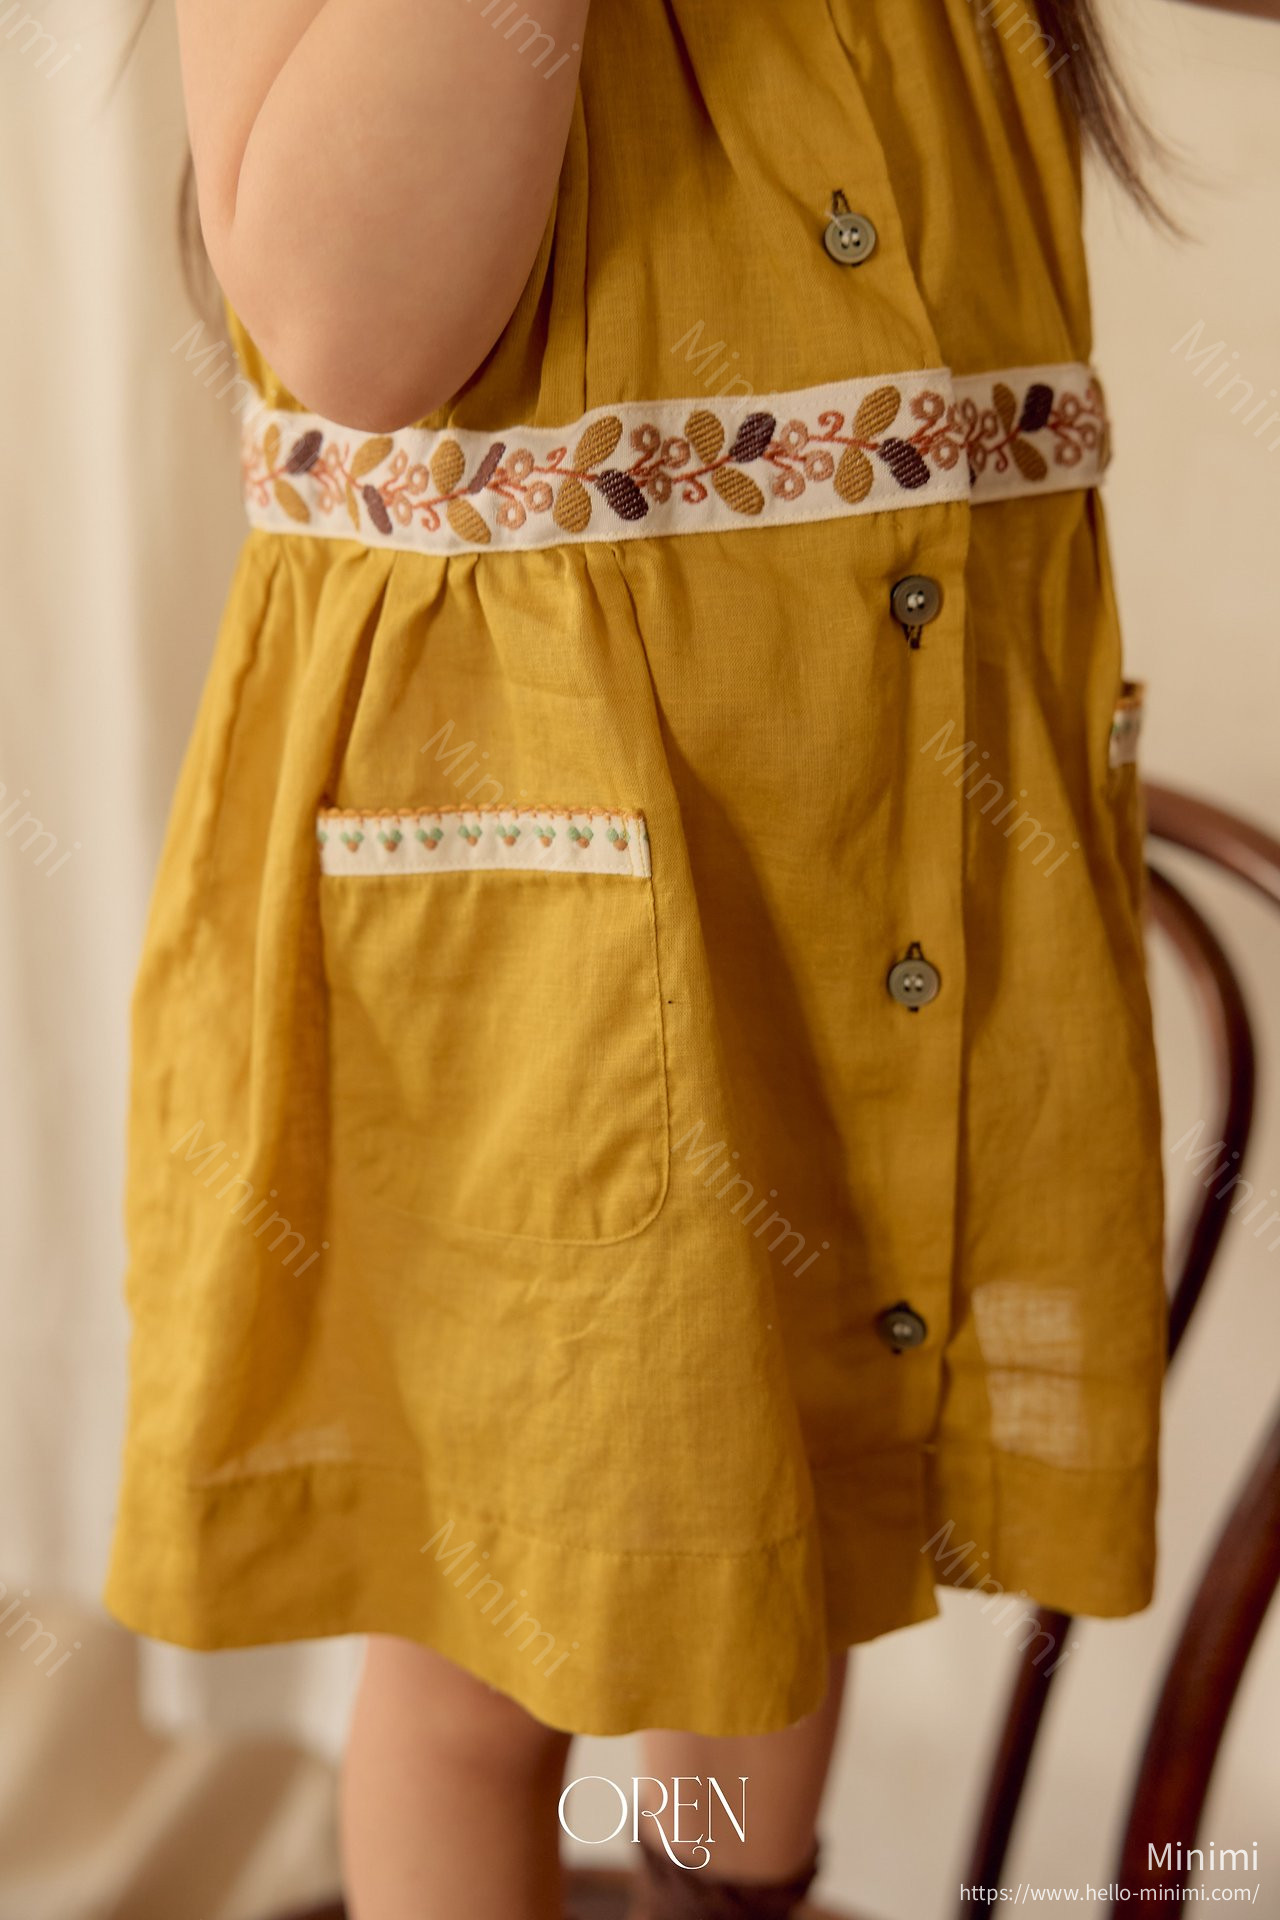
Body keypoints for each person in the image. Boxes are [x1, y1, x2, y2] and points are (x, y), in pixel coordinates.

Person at [103, 1, 1279, 1915]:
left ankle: (722, 1889)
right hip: (536, 975)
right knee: (484, 1668)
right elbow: (357, 329)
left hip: (885, 876)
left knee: (790, 1575)